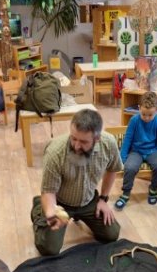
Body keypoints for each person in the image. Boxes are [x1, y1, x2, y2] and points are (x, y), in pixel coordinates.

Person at [31, 109, 122, 256]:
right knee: (49, 249)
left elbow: (113, 169)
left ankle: (81, 214)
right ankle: (38, 208)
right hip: (60, 203)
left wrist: (103, 199)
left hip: (89, 200)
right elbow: (48, 190)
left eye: (83, 141)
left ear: (97, 138)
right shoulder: (55, 152)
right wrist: (50, 212)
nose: (76, 146)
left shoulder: (109, 144)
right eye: (73, 138)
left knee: (112, 235)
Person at [115, 91, 157, 209]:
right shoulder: (134, 120)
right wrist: (122, 158)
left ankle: (153, 189)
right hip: (136, 151)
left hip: (152, 151)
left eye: (150, 115)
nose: (146, 118)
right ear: (139, 108)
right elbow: (128, 139)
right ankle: (126, 193)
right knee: (130, 168)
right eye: (143, 114)